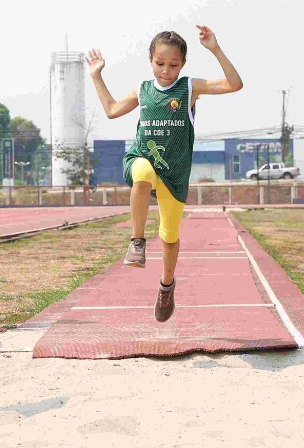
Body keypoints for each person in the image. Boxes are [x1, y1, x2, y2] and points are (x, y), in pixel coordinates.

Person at [87, 27, 244, 323]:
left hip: (174, 172)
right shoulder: (143, 89)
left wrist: (215, 48)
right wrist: (97, 75)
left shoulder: (189, 88)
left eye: (173, 65)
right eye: (160, 64)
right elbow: (111, 110)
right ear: (150, 60)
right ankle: (136, 242)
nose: (166, 71)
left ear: (182, 64)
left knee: (170, 236)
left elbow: (235, 84)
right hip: (143, 158)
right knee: (142, 174)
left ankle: (167, 285)